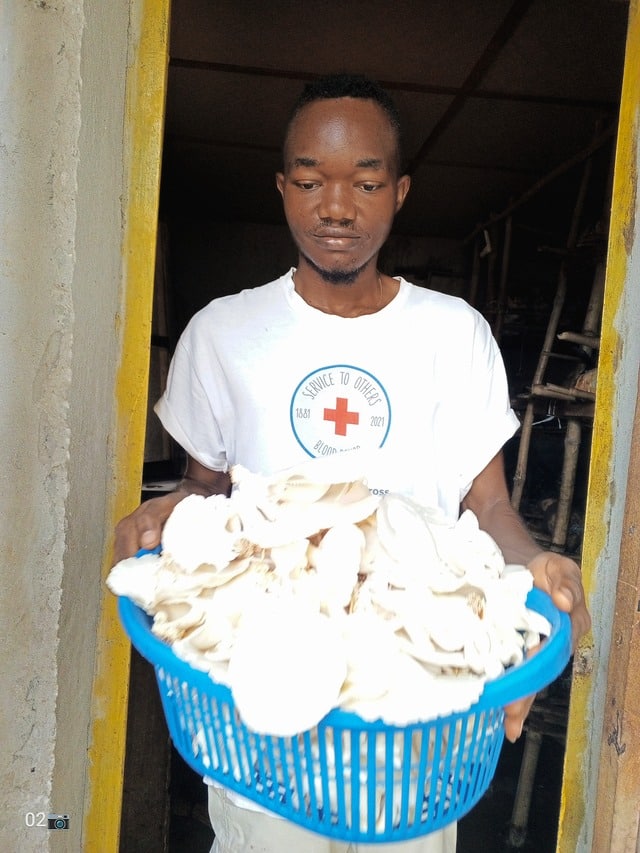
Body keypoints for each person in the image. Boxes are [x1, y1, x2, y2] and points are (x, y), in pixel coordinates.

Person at [114, 73, 591, 853]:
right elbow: (207, 492)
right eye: (310, 181)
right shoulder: (222, 332)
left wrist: (536, 561)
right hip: (259, 729)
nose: (337, 208)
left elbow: (490, 507)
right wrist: (167, 511)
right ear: (281, 187)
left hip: (416, 723)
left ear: (400, 191)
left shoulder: (453, 333)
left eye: (366, 182)